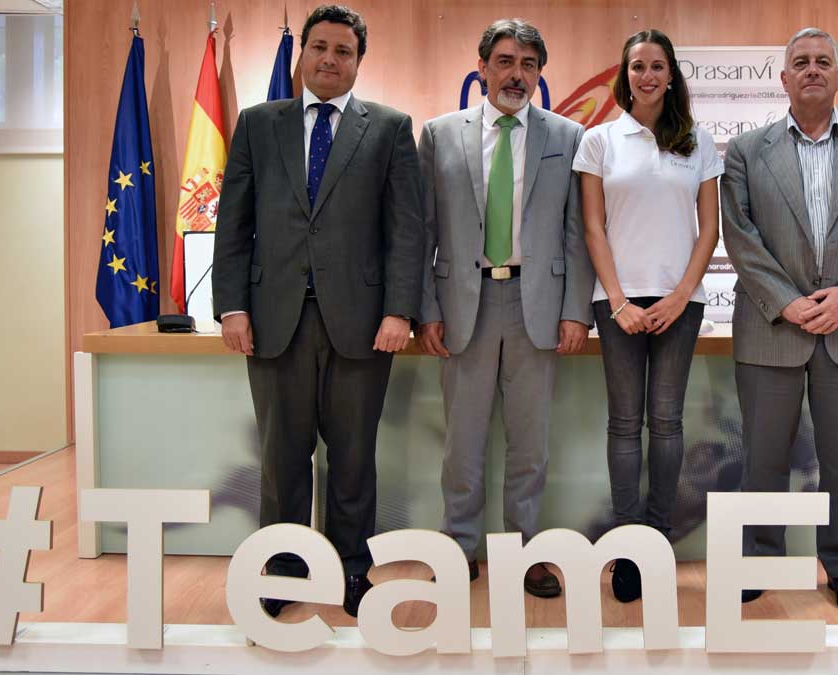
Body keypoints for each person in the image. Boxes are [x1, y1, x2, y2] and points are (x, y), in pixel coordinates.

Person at [212, 4, 423, 619]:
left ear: (360, 61)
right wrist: (232, 306)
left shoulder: (387, 128)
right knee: (282, 456)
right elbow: (235, 225)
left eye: (344, 51)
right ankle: (283, 568)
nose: (331, 59)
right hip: (274, 320)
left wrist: (399, 311)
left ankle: (353, 569)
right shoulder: (258, 124)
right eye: (321, 48)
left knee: (354, 457)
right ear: (302, 53)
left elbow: (406, 231)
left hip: (362, 323)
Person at [719, 27, 838, 614]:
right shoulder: (749, 149)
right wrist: (787, 300)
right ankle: (759, 560)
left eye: (823, 61)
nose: (812, 69)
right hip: (772, 326)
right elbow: (740, 235)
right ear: (783, 78)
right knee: (764, 457)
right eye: (800, 61)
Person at [415, 18, 593, 598]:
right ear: (483, 67)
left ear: (540, 74)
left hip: (535, 304)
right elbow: (422, 230)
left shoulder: (567, 136)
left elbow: (578, 231)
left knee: (529, 443)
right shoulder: (440, 134)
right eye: (507, 62)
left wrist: (576, 310)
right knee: (461, 442)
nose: (518, 75)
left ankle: (524, 552)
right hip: (461, 303)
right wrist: (424, 308)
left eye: (529, 65)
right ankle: (459, 547)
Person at [572, 29, 721, 603]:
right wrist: (617, 302)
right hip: (619, 305)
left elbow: (709, 230)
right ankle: (628, 543)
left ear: (672, 74)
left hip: (679, 305)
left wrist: (682, 296)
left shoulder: (697, 142)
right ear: (625, 74)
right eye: (638, 66)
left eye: (658, 66)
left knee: (667, 421)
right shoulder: (600, 141)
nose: (648, 75)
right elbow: (592, 227)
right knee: (623, 422)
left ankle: (657, 537)